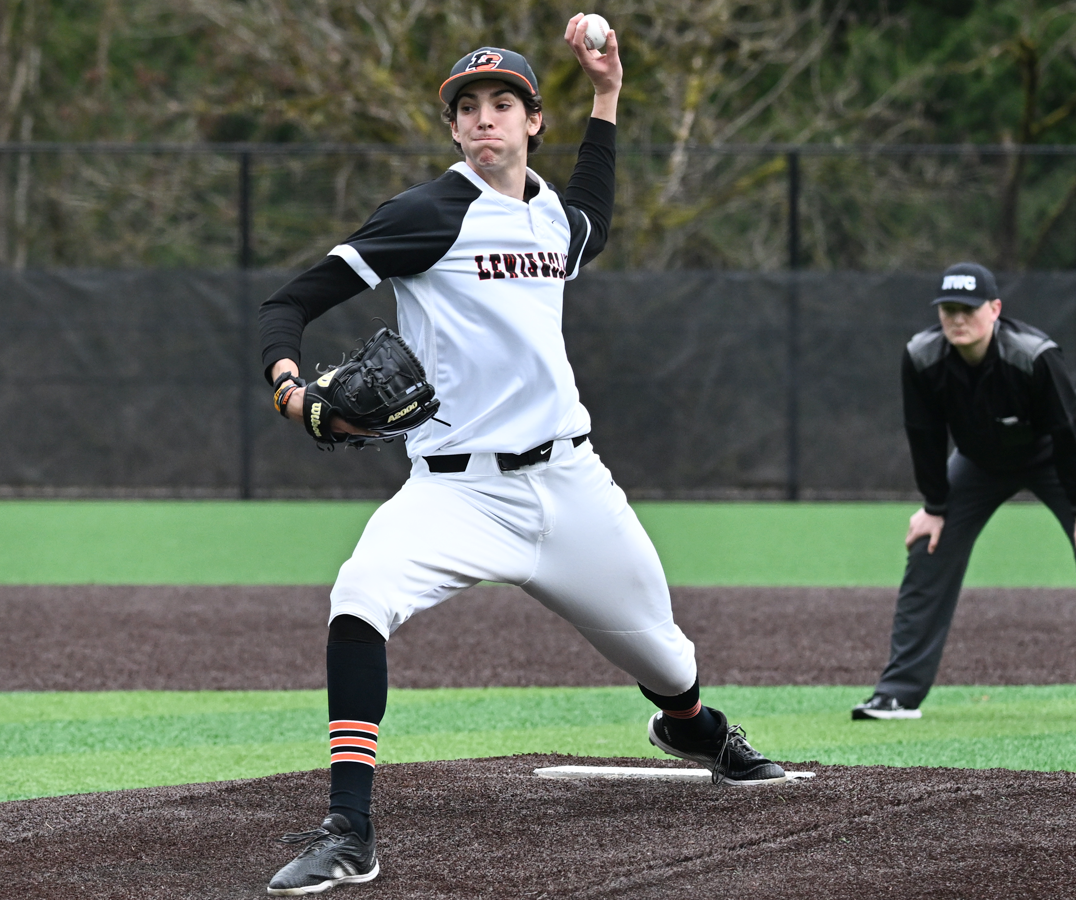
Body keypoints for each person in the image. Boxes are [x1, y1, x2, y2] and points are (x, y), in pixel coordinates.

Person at [255, 17, 785, 896]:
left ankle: (693, 728)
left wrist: (608, 94)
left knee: (669, 662)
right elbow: (290, 302)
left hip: (571, 485)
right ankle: (350, 830)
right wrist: (289, 388)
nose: (485, 118)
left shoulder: (550, 218)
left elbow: (594, 216)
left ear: (535, 121)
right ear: (454, 127)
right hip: (455, 493)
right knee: (358, 596)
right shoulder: (426, 215)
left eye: (504, 103)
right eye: (469, 106)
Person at [851, 263, 1076, 725]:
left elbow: (1067, 429)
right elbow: (924, 433)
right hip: (981, 461)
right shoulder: (921, 356)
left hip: (1058, 454)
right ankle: (897, 694)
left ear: (995, 309)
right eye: (948, 309)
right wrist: (934, 506)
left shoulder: (1033, 354)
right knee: (928, 545)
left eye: (968, 309)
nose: (958, 319)